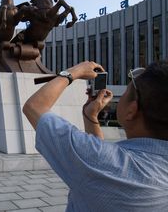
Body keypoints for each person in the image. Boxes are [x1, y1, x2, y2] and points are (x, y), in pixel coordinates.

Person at [23, 60, 168, 211]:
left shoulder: (102, 161)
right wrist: (91, 115)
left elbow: (35, 107)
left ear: (132, 110)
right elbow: (101, 167)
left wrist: (73, 72)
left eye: (126, 91)